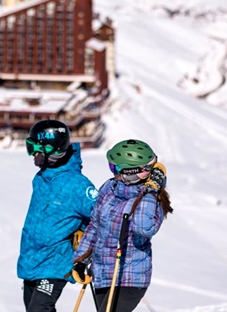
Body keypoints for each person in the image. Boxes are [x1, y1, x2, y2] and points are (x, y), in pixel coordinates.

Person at [72, 139, 173, 312]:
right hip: (103, 274)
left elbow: (143, 227)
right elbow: (94, 226)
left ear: (132, 172)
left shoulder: (150, 199)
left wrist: (150, 191)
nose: (112, 172)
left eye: (115, 168)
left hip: (129, 276)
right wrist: (81, 259)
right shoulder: (109, 188)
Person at [17, 119, 98, 312]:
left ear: (51, 149)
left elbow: (101, 216)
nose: (33, 155)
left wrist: (86, 249)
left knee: (38, 309)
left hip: (56, 262)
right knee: (32, 308)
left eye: (35, 149)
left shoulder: (77, 185)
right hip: (32, 257)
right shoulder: (41, 178)